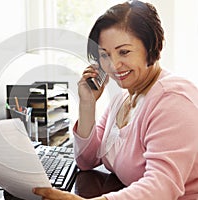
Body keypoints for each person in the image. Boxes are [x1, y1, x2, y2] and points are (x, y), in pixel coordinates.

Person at [33, 0, 198, 199]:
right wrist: (87, 104)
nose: (113, 65)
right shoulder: (122, 98)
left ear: (152, 47)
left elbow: (161, 187)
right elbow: (86, 160)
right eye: (104, 55)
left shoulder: (174, 99)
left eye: (124, 52)